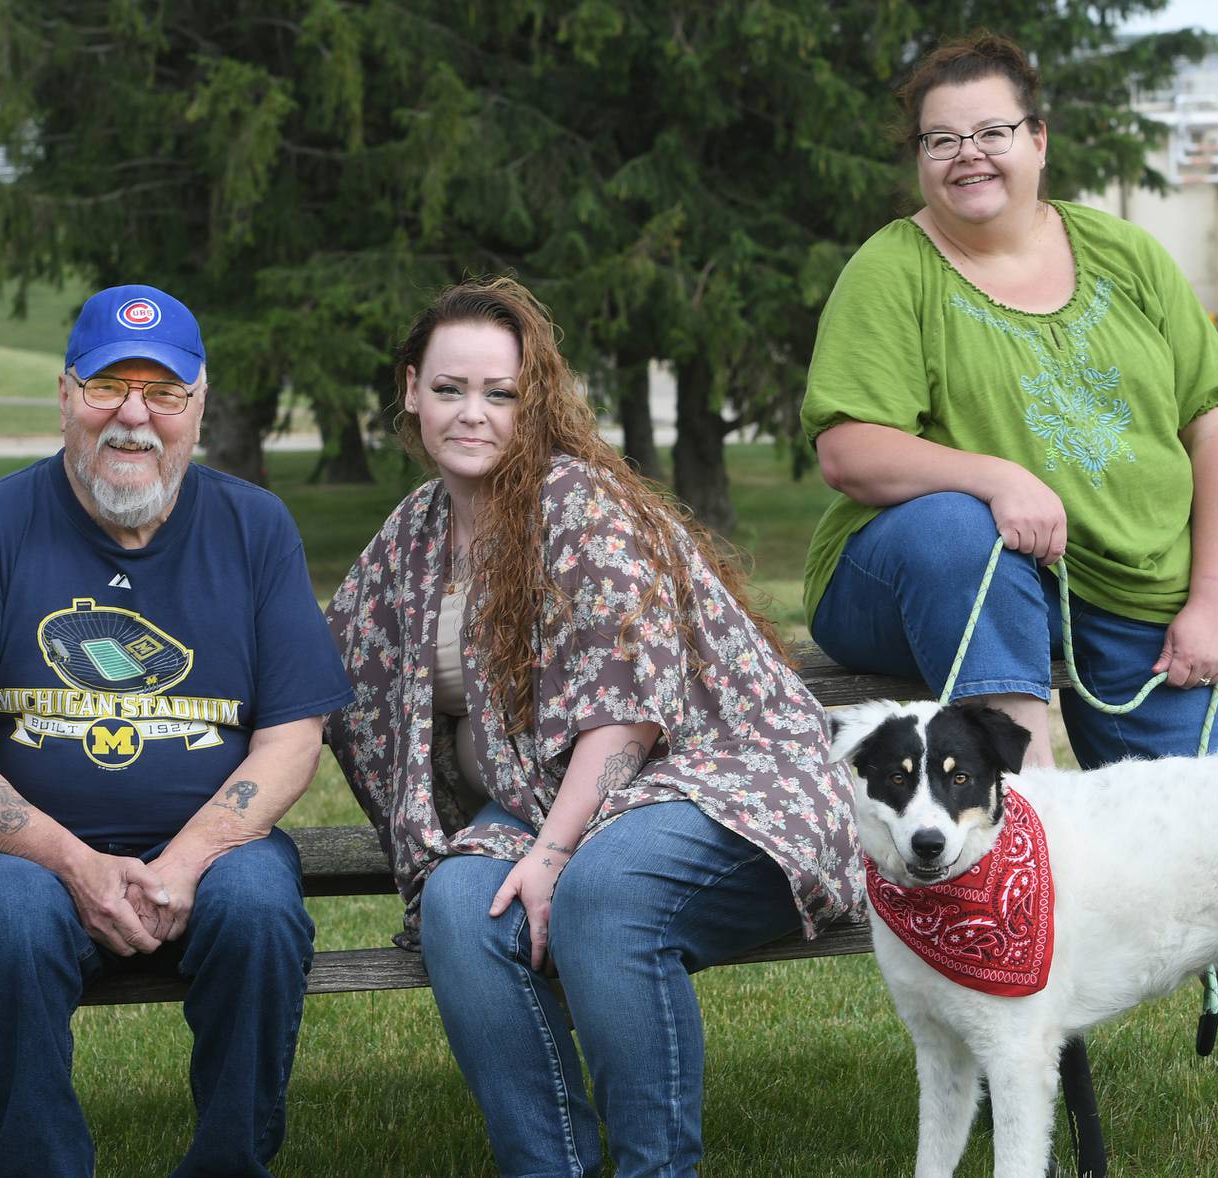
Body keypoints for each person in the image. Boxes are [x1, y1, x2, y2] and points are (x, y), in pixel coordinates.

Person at [798, 32, 1218, 1140]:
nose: (968, 155)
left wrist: (1208, 602)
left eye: (992, 131)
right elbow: (849, 452)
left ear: (1039, 138)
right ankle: (1034, 834)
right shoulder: (892, 269)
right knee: (969, 532)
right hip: (925, 564)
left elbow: (1215, 426)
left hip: (1135, 584)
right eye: (940, 138)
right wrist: (995, 473)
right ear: (918, 156)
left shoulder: (1125, 257)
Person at [324, 276, 861, 1176]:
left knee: (603, 896)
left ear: (530, 404)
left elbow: (628, 714)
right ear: (410, 388)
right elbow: (324, 668)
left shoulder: (576, 503)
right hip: (543, 801)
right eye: (451, 389)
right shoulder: (414, 535)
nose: (473, 414)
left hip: (724, 783)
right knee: (461, 906)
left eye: (499, 394)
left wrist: (551, 852)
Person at [0, 284, 354, 1178]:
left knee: (262, 912)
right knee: (19, 923)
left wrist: (183, 863)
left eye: (165, 393)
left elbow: (294, 737)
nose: (133, 418)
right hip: (22, 854)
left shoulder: (256, 529)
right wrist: (75, 864)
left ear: (199, 407)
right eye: (109, 386)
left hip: (216, 850)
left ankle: (230, 1165)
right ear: (66, 395)